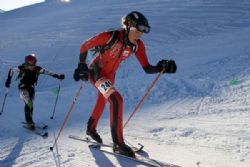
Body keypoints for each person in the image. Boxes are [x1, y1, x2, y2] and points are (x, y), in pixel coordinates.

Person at [73, 11, 177, 157]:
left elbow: (147, 67)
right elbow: (84, 46)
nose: (140, 34)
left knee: (102, 101)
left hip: (110, 76)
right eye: (138, 30)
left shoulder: (138, 46)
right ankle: (118, 144)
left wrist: (161, 67)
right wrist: (82, 66)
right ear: (128, 26)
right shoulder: (110, 36)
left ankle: (91, 129)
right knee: (116, 100)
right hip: (96, 72)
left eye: (143, 31)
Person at [5, 54, 65, 130]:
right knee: (28, 103)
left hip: (31, 88)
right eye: (30, 63)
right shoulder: (22, 68)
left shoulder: (37, 69)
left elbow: (48, 72)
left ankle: (30, 120)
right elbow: (11, 70)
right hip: (22, 87)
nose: (32, 65)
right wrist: (8, 80)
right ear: (26, 63)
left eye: (33, 63)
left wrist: (58, 76)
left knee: (31, 105)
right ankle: (29, 122)